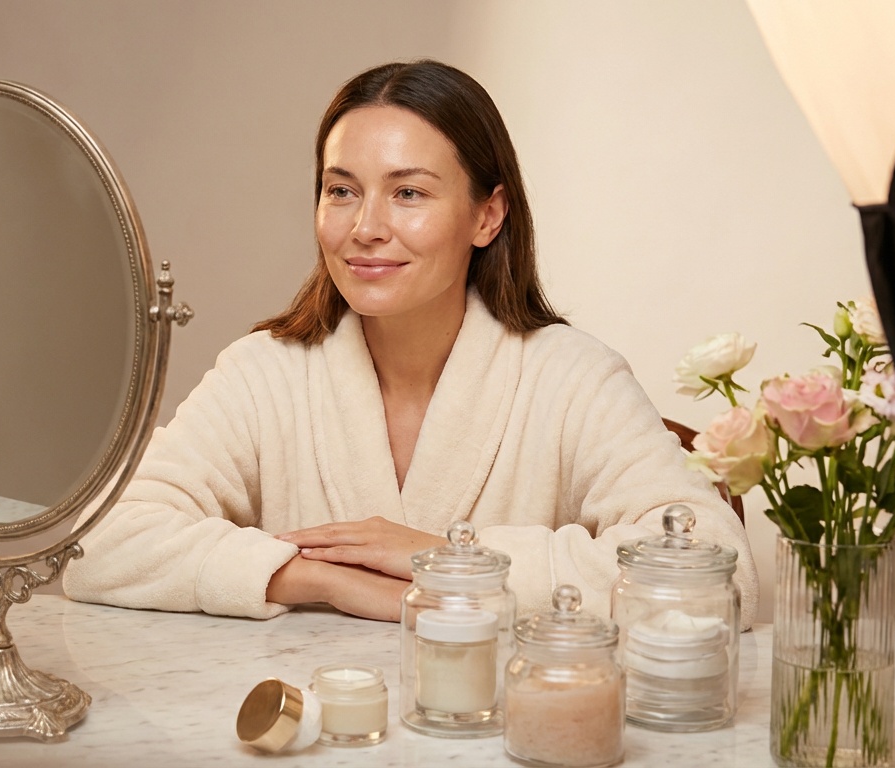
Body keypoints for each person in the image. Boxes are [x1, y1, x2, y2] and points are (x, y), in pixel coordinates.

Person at [63, 59, 758, 627]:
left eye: (409, 194)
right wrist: (320, 580)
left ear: (488, 213)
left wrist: (447, 563)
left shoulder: (573, 379)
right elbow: (100, 542)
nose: (365, 227)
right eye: (341, 190)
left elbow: (714, 567)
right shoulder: (264, 375)